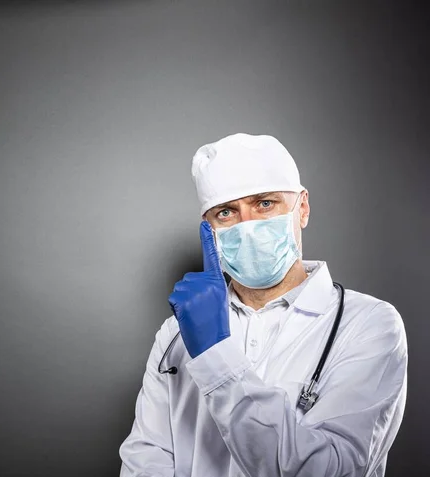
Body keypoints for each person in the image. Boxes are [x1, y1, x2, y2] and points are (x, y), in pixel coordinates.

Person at [118, 133, 408, 477]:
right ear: (209, 229)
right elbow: (145, 461)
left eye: (265, 204)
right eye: (226, 212)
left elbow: (331, 468)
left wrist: (214, 354)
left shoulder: (368, 325)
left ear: (302, 208)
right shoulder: (175, 333)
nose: (248, 225)